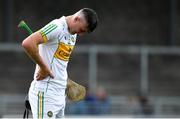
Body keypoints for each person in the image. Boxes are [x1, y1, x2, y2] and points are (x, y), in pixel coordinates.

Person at [22, 8, 98, 119]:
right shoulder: (57, 27)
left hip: (60, 94)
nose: (80, 34)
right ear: (77, 19)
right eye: (81, 30)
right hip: (45, 94)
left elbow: (58, 62)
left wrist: (64, 80)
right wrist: (43, 68)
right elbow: (28, 43)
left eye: (84, 32)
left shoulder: (73, 34)